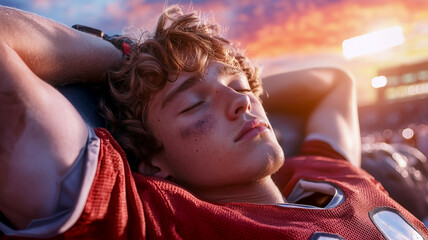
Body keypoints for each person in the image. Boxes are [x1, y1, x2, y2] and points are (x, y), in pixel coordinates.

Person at [0, 4, 426, 240]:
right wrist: (125, 56)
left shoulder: (326, 173)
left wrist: (174, 63)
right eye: (192, 106)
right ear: (152, 160)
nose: (240, 102)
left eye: (238, 84)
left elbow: (334, 81)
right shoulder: (168, 222)